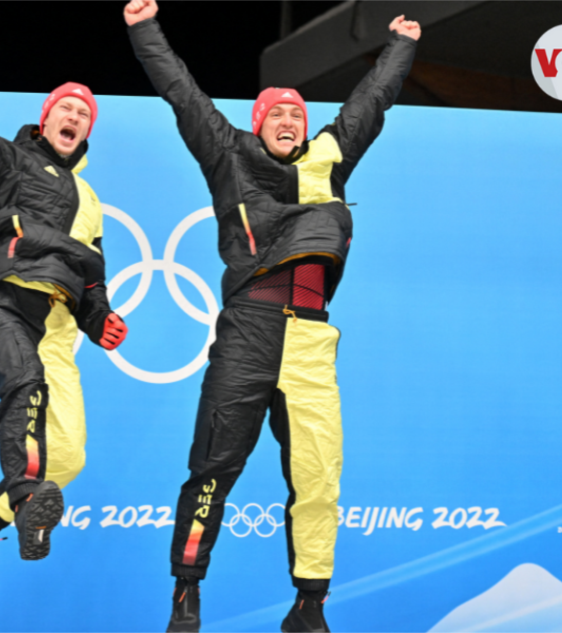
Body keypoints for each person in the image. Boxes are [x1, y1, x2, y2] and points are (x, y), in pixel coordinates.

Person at [124, 1, 420, 631]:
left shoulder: (329, 156)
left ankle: (309, 604)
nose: (289, 119)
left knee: (318, 477)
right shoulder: (227, 153)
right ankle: (185, 592)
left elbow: (372, 101)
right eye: (276, 113)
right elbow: (182, 92)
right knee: (213, 468)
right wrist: (144, 28)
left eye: (296, 114)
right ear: (257, 124)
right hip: (249, 330)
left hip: (311, 337)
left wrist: (400, 45)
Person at [0, 12, 128, 597]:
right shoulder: (7, 161)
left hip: (57, 331)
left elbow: (91, 278)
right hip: (0, 304)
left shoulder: (92, 198)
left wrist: (101, 318)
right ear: (45, 119)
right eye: (65, 109)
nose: (74, 116)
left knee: (65, 459)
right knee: (26, 387)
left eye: (84, 114)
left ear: (87, 131)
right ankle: (22, 498)